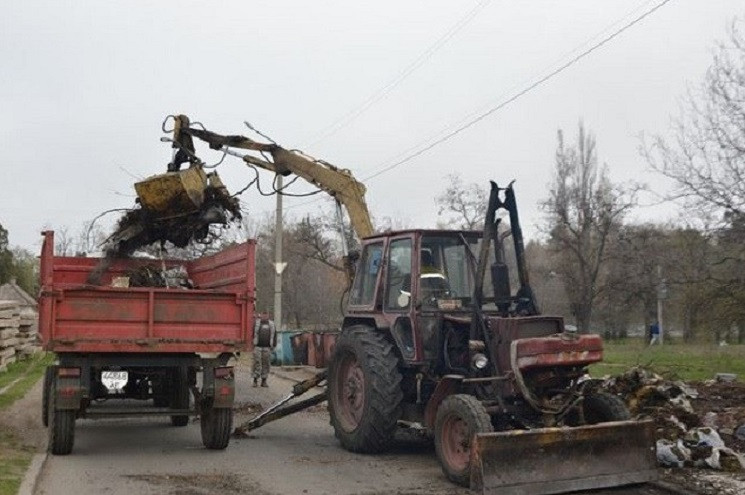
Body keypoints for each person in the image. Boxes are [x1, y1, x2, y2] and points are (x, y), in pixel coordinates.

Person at [253, 313, 277, 387]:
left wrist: (274, 345)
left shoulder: (272, 324)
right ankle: (255, 380)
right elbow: (252, 334)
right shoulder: (256, 324)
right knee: (257, 363)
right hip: (257, 347)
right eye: (263, 315)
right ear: (261, 316)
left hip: (267, 348)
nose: (264, 316)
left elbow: (275, 335)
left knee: (266, 364)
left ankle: (264, 381)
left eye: (266, 315)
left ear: (268, 316)